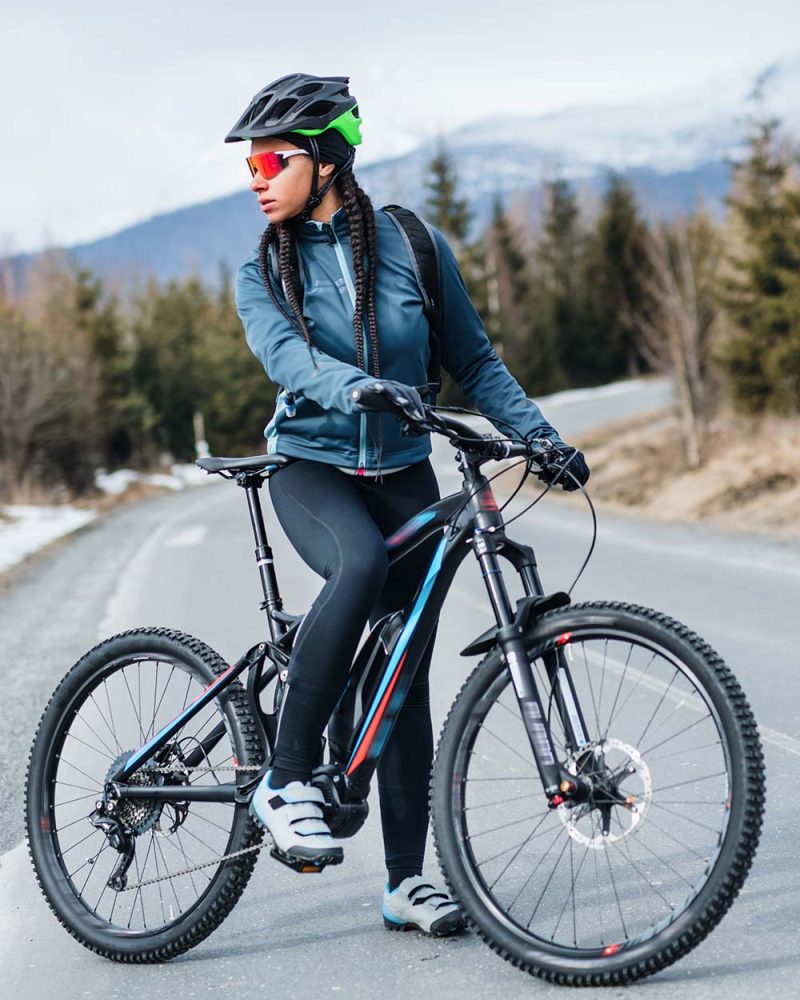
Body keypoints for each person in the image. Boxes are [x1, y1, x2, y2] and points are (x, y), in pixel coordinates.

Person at [226, 73, 590, 936]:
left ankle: (404, 881)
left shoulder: (413, 245)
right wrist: (357, 388)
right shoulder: (259, 269)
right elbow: (287, 359)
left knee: (408, 670)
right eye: (250, 164)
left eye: (272, 159)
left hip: (402, 472)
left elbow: (475, 358)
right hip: (312, 467)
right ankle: (283, 779)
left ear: (325, 160)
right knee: (357, 565)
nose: (256, 176)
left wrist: (543, 439)